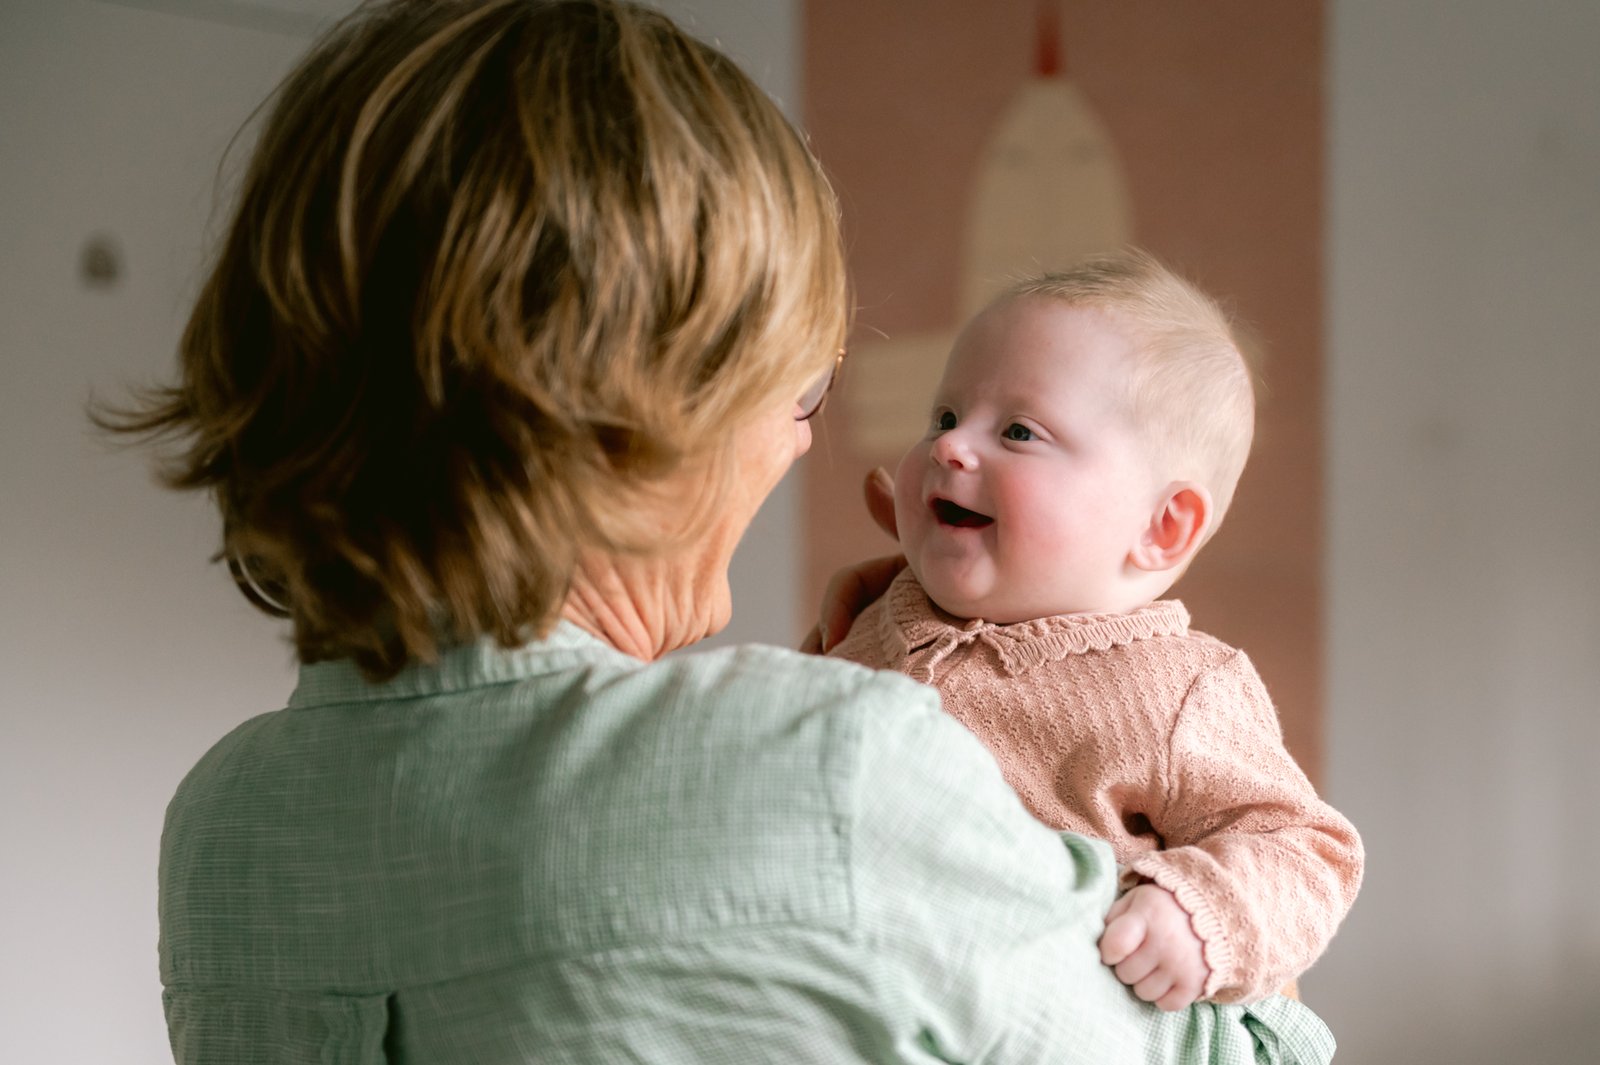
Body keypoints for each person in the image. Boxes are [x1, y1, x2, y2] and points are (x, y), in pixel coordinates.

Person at [103, 1, 1336, 1060]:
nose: (806, 443)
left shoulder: (221, 828)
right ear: (636, 409)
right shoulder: (833, 774)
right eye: (798, 393)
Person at [826, 251, 1363, 1011]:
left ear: (1162, 525)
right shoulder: (880, 615)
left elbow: (1307, 850)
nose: (950, 446)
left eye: (1018, 430)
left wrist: (1200, 913)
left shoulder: (1174, 689)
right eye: (944, 417)